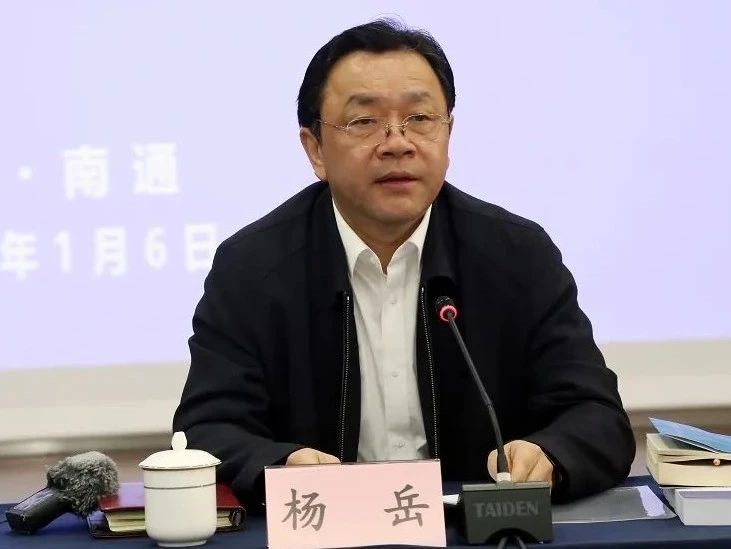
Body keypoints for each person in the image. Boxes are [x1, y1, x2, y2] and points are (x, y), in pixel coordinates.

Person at [173, 19, 635, 505]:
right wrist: (282, 465)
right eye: (364, 121)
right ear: (315, 149)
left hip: (475, 530)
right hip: (324, 527)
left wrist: (550, 455)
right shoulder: (251, 268)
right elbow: (207, 430)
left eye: (419, 118)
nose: (397, 142)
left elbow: (597, 416)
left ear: (448, 132)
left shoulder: (517, 256)